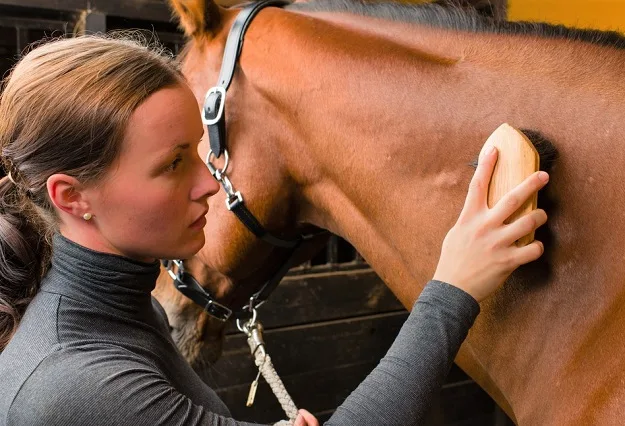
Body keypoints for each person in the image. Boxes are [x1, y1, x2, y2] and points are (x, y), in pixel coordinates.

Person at [0, 35, 548, 426]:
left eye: (198, 152)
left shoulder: (121, 310)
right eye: (172, 165)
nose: (210, 184)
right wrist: (452, 290)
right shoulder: (74, 382)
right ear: (72, 197)